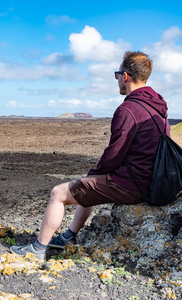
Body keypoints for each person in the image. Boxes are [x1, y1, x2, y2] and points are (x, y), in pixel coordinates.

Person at [10, 51, 170, 260]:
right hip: (152, 182)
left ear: (125, 76)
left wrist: (93, 173)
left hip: (131, 185)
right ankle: (68, 237)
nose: (118, 81)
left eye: (117, 75)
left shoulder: (128, 109)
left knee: (58, 193)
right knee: (90, 184)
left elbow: (115, 153)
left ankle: (38, 249)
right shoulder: (157, 107)